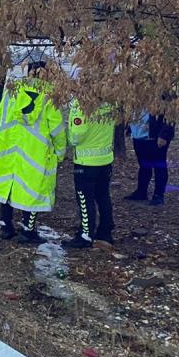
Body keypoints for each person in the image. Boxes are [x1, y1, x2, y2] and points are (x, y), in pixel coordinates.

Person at [0, 61, 66, 244]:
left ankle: (5, 226)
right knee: (32, 191)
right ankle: (28, 231)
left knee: (7, 187)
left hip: (9, 149)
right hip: (35, 153)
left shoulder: (11, 92)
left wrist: (3, 139)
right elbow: (57, 130)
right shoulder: (48, 97)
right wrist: (60, 152)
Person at [63, 101, 115, 249]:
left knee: (84, 199)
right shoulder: (111, 102)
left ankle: (85, 235)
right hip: (105, 160)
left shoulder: (82, 105)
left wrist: (69, 134)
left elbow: (76, 136)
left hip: (86, 163)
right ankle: (105, 231)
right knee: (103, 196)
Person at [125, 111, 175, 205]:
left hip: (156, 137)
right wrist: (129, 128)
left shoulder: (162, 96)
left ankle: (158, 195)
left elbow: (171, 113)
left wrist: (164, 134)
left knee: (159, 166)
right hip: (138, 136)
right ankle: (141, 192)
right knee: (144, 166)